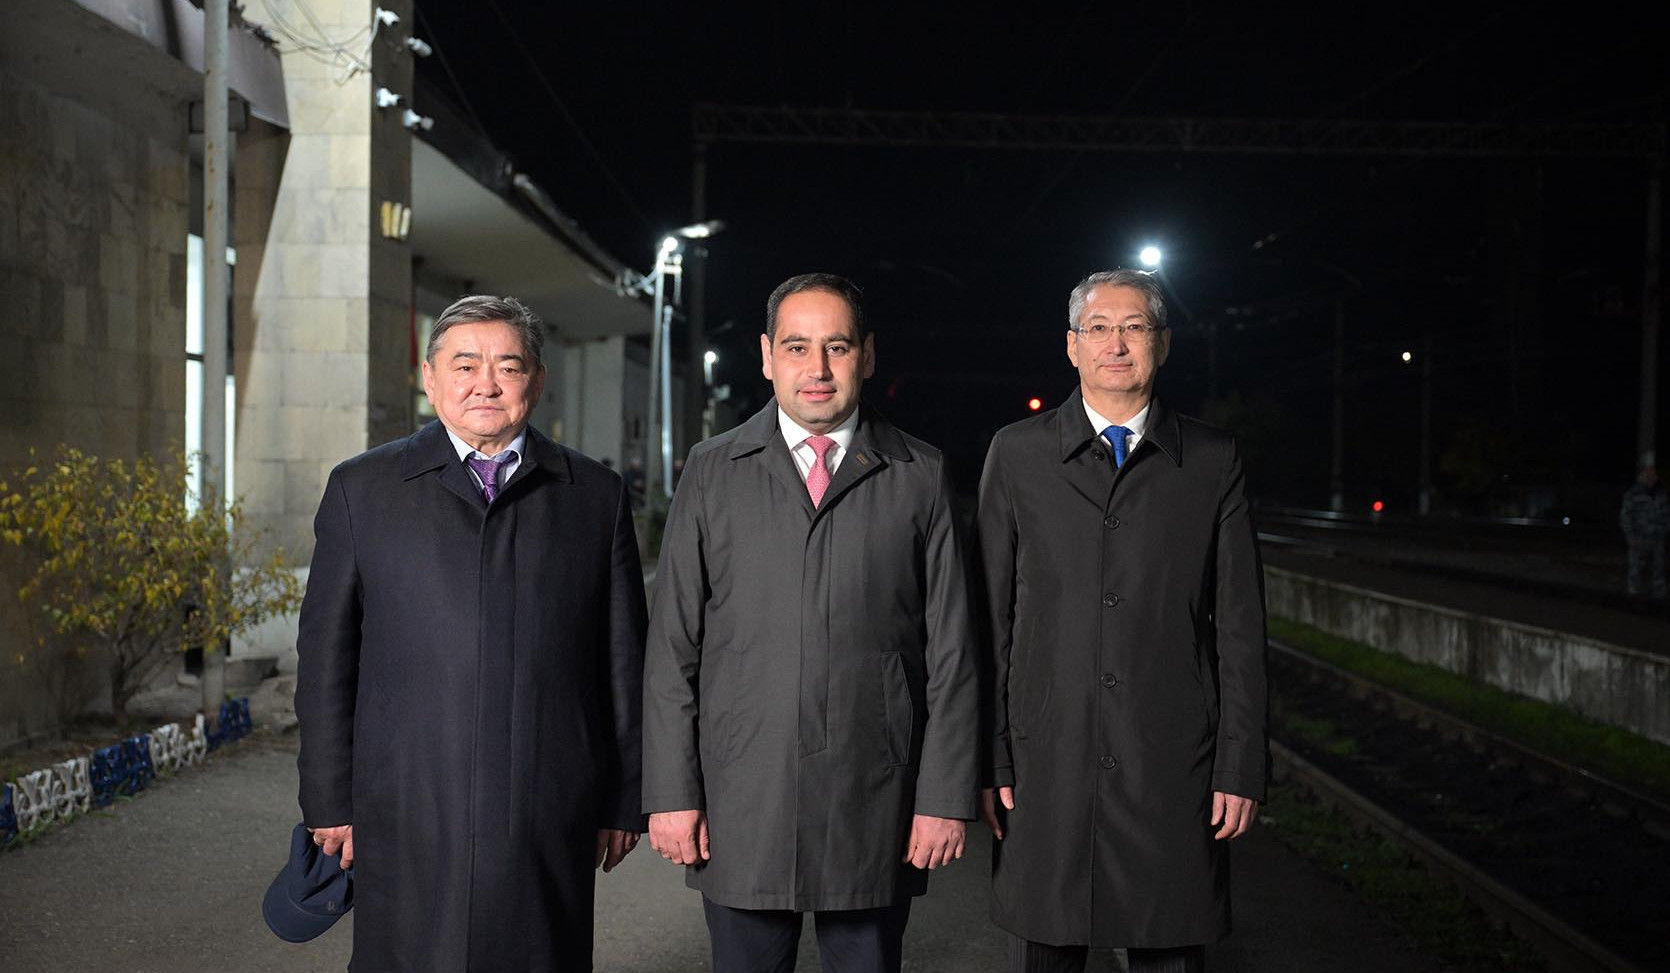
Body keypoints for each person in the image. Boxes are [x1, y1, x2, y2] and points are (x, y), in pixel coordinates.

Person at [294, 295, 648, 972]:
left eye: (507, 366)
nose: (486, 382)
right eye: (464, 364)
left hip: (549, 800)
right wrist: (328, 796)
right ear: (430, 378)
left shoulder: (594, 495)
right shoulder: (362, 489)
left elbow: (624, 659)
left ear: (536, 381)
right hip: (405, 799)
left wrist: (625, 795)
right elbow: (325, 662)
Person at [642, 273, 979, 973]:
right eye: (797, 346)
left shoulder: (919, 473)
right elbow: (672, 648)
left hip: (874, 797)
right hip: (744, 798)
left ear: (868, 355)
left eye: (836, 346)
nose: (816, 368)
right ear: (767, 355)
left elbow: (953, 653)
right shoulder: (712, 471)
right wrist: (672, 793)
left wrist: (944, 796)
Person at [975, 269, 1268, 973]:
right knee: (1047, 945)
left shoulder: (1211, 459)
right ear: (1071, 346)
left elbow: (1238, 625)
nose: (1117, 343)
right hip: (1046, 758)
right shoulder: (1016, 455)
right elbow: (987, 620)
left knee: (1169, 946)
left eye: (1134, 327)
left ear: (1161, 344)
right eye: (1098, 328)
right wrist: (989, 757)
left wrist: (1241, 761)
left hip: (1170, 759)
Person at [1621, 464, 1669, 600]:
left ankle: (1659, 595)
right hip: (1639, 538)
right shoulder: (1633, 494)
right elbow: (1626, 517)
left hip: (1657, 538)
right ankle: (1634, 594)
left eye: (1653, 475)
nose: (1651, 477)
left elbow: (1666, 515)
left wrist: (1664, 531)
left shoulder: (1660, 495)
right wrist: (1630, 536)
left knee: (1658, 568)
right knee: (1636, 568)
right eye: (1648, 474)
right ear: (1641, 476)